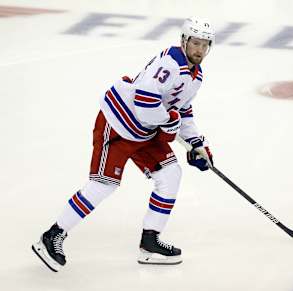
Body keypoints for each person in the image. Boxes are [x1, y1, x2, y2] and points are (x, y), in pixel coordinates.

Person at [32, 17, 215, 272]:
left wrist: (197, 143)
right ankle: (51, 235)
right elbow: (145, 100)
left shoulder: (196, 76)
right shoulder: (170, 63)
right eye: (195, 42)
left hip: (144, 130)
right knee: (103, 185)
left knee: (171, 174)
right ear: (184, 41)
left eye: (205, 45)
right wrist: (169, 123)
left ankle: (149, 242)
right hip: (118, 123)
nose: (199, 49)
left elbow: (182, 110)